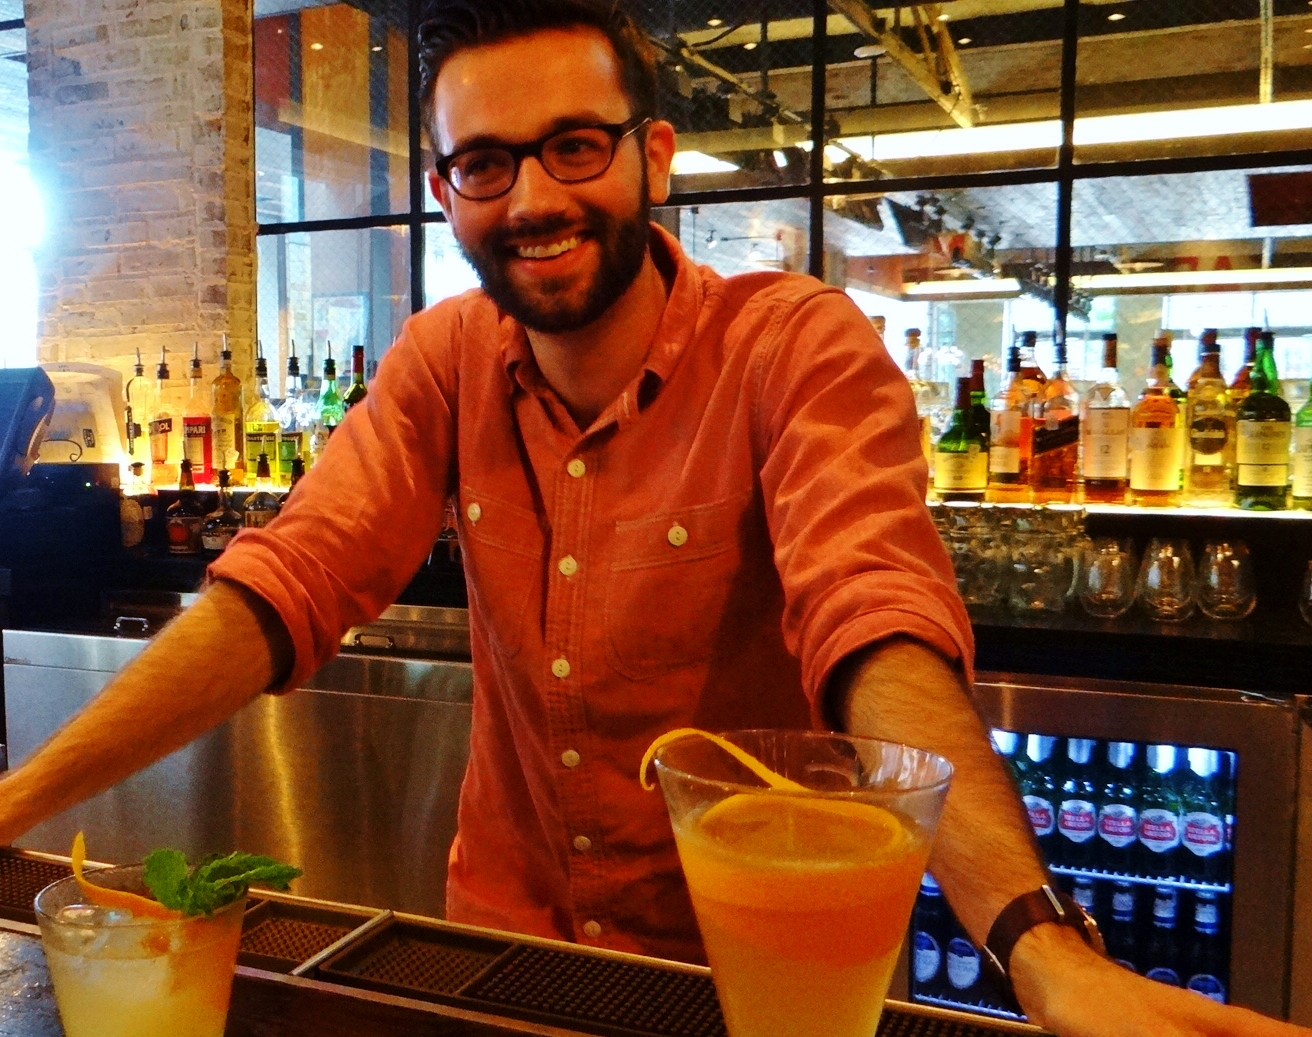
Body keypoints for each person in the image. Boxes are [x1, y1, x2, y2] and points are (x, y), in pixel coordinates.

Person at [0, 3, 1303, 1035]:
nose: (532, 199)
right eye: (485, 163)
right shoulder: (444, 361)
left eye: (574, 145)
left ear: (653, 156)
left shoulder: (790, 347)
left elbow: (873, 620)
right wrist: (16, 802)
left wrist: (1040, 947)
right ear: (449, 192)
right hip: (504, 963)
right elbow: (290, 579)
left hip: (751, 981)